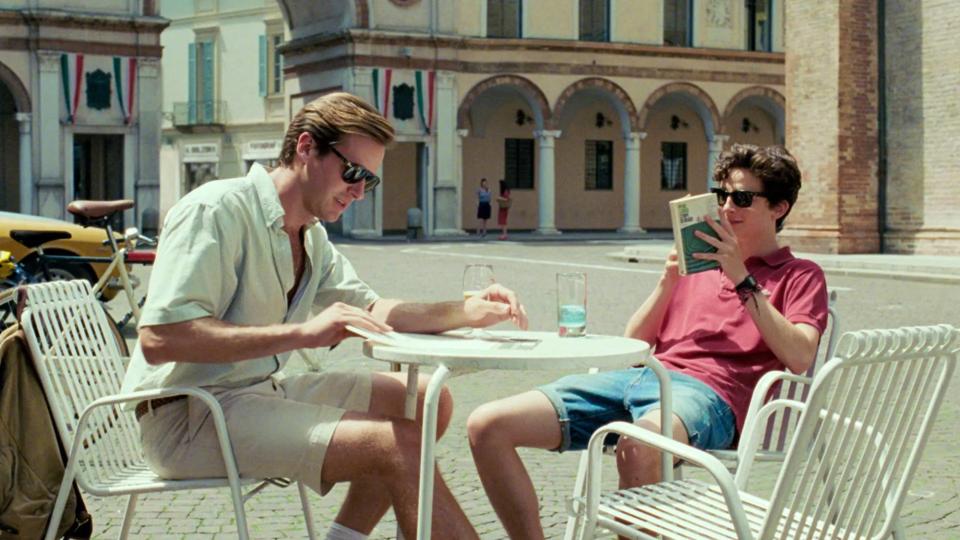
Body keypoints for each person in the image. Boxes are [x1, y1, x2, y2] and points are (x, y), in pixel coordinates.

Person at [120, 92, 528, 540]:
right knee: (398, 444)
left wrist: (466, 311)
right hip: (188, 415)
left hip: (254, 392)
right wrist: (301, 334)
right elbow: (161, 339)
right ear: (306, 147)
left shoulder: (310, 236)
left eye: (368, 181)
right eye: (353, 173)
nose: (358, 191)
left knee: (427, 398)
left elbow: (374, 309)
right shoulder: (216, 209)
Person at [466, 144, 829, 539]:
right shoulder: (697, 265)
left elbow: (799, 355)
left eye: (742, 198)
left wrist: (741, 277)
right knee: (488, 425)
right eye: (721, 195)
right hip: (641, 377)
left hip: (711, 396)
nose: (727, 208)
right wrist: (667, 280)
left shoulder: (800, 275)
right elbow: (633, 343)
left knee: (637, 447)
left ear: (779, 208)